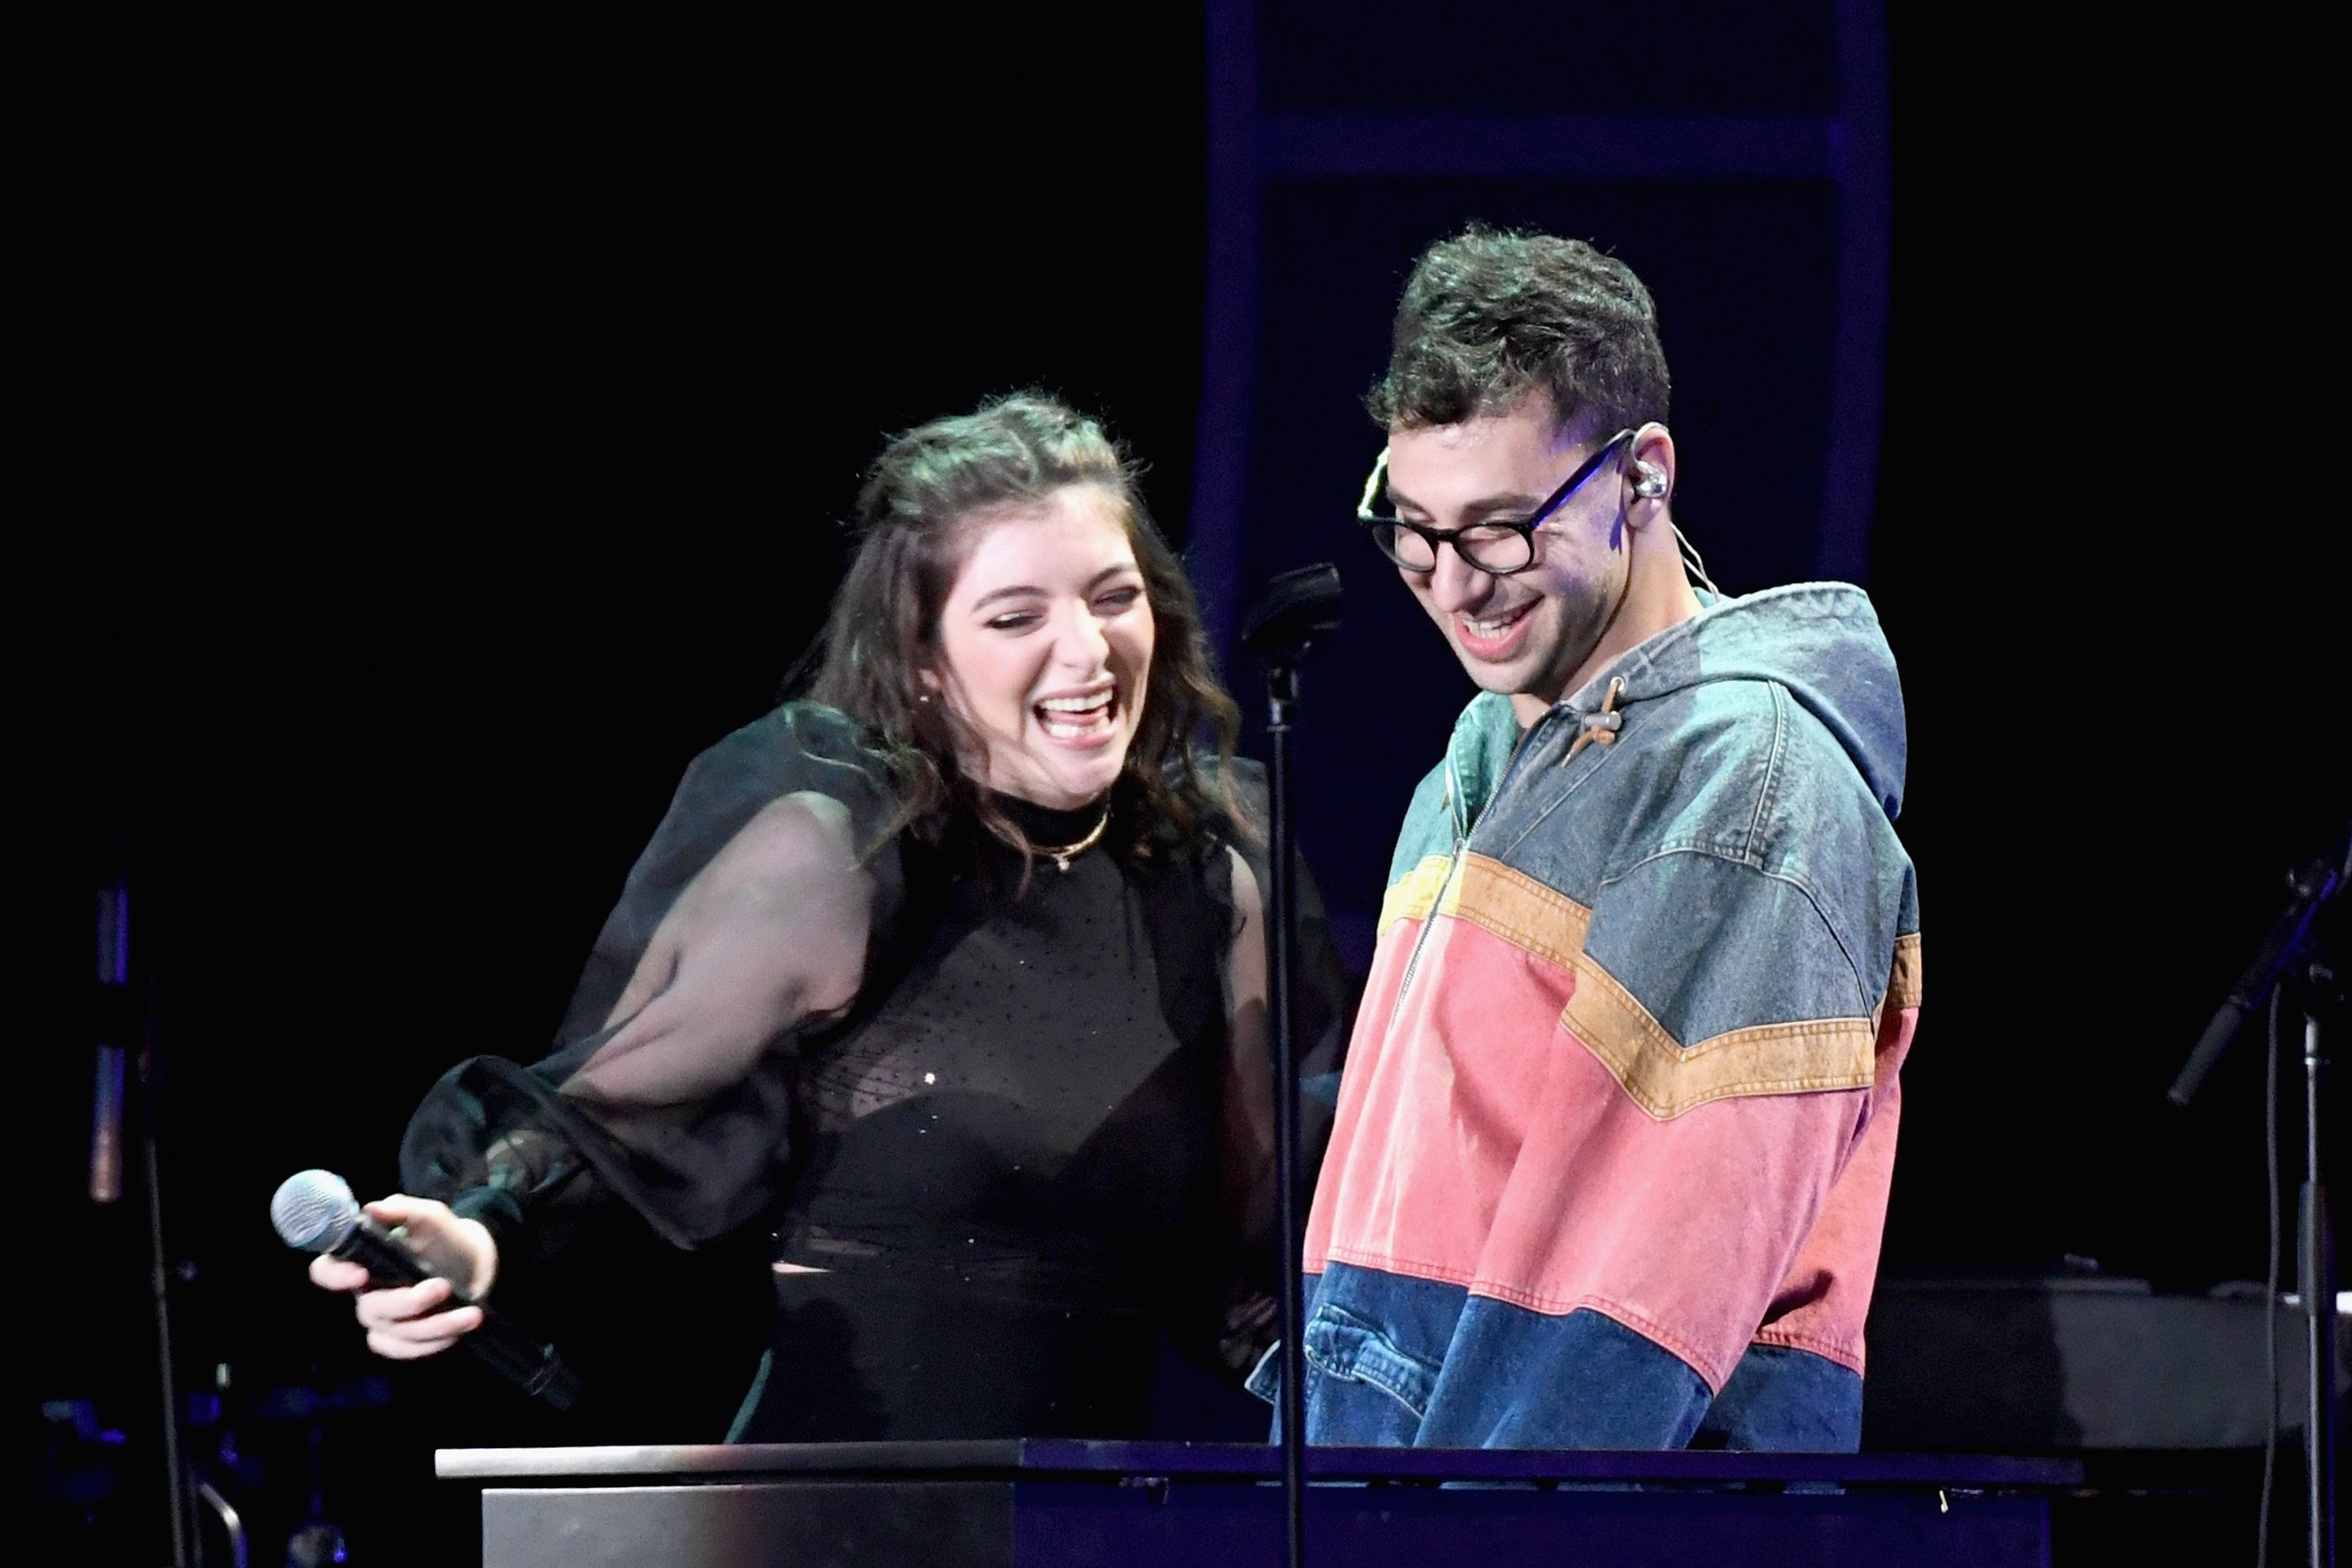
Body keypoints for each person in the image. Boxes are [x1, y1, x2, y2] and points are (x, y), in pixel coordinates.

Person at [311, 393, 1345, 1441]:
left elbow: (1255, 1272)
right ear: (927, 659)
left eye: (1113, 597)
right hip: (837, 1512)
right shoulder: (843, 851)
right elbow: (612, 1125)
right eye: (1017, 616)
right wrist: (477, 1239)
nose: (1087, 652)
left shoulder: (1215, 878)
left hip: (1106, 1521)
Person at [1271, 227, 1920, 1451]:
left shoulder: (1750, 789)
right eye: (1413, 528)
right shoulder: (1474, 762)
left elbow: (1629, 1300)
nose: (1455, 581)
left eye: (1502, 527)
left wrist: (1447, 1546)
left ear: (1643, 476)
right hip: (1397, 1510)